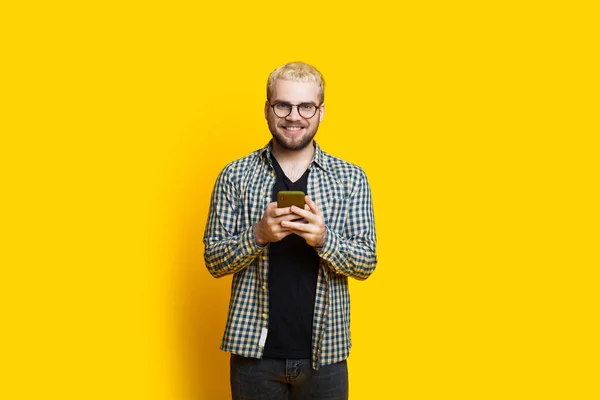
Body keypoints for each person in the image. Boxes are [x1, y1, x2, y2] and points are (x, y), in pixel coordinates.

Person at [203, 61, 377, 399]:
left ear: (320, 111)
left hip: (325, 356)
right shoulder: (235, 176)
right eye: (283, 104)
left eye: (305, 106)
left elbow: (367, 262)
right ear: (267, 109)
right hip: (254, 357)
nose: (293, 116)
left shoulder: (350, 178)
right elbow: (213, 260)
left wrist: (325, 240)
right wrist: (258, 235)